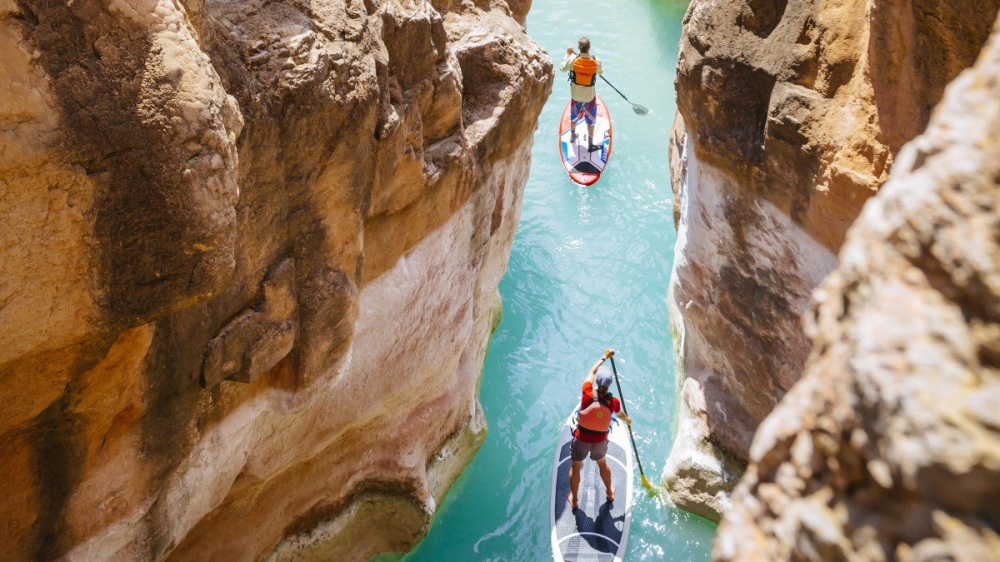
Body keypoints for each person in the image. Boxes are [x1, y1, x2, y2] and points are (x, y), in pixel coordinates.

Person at [567, 348, 631, 510]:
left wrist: (604, 357)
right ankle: (610, 492)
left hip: (582, 438)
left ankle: (574, 500)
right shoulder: (613, 402)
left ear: (597, 382)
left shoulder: (587, 393)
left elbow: (591, 371)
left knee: (575, 466)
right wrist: (628, 419)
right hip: (600, 441)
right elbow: (621, 415)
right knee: (602, 463)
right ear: (609, 385)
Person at [559, 36, 604, 152]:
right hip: (589, 97)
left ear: (579, 48)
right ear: (589, 48)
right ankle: (590, 145)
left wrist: (567, 55)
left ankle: (573, 137)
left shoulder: (573, 59)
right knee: (591, 121)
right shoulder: (596, 60)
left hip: (576, 96)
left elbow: (562, 68)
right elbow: (600, 72)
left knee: (574, 117)